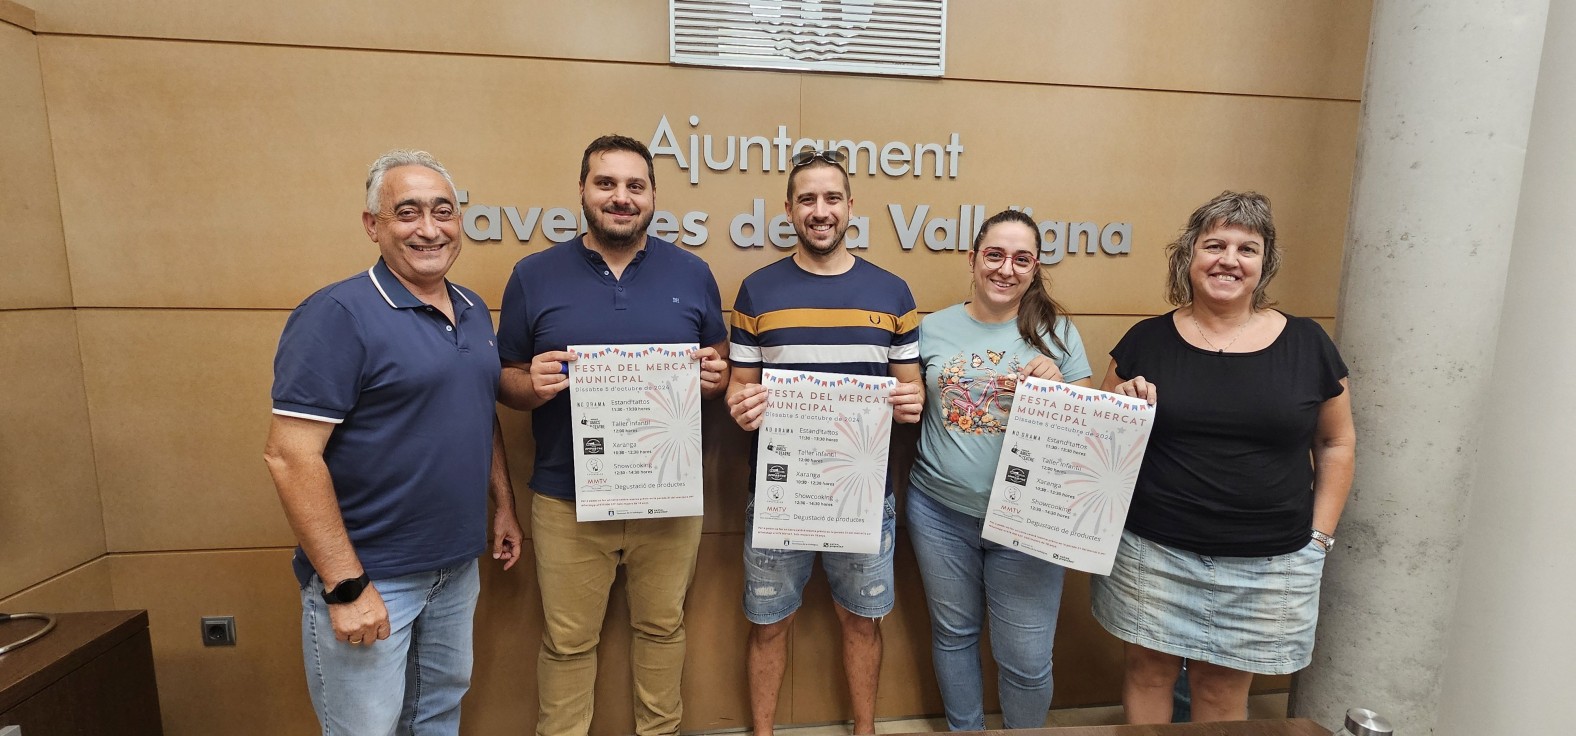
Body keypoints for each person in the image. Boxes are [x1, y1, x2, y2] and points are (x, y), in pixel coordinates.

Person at [264, 149, 523, 735]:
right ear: (372, 225)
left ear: (461, 220)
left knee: (436, 718)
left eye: (442, 211)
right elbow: (288, 455)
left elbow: (477, 414)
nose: (428, 229)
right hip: (373, 577)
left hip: (455, 570)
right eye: (407, 213)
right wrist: (345, 584)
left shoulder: (473, 310)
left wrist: (502, 503)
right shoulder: (337, 314)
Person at [1092, 191, 1356, 723]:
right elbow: (1098, 441)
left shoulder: (1308, 344)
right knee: (1147, 673)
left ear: (1265, 263)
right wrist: (1119, 409)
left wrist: (1320, 537)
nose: (1228, 260)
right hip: (1153, 550)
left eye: (1247, 248)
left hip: (1267, 559)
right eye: (1214, 245)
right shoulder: (1146, 340)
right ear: (1189, 257)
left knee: (1220, 694)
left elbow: (1336, 442)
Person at [496, 135, 729, 736]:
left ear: (653, 196)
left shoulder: (693, 273)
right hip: (567, 499)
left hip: (668, 496)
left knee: (662, 630)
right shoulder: (533, 275)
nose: (620, 198)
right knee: (567, 643)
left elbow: (719, 363)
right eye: (607, 184)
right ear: (582, 191)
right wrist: (533, 384)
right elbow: (505, 379)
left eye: (635, 186)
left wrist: (714, 377)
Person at [726, 149, 924, 736]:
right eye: (807, 199)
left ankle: (865, 730)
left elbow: (909, 391)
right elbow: (740, 389)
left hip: (864, 493)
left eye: (831, 198)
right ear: (788, 209)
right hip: (780, 492)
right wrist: (743, 405)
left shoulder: (893, 293)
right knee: (767, 623)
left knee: (861, 620)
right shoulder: (756, 292)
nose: (820, 211)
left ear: (849, 207)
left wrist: (910, 403)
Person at [907, 209, 1093, 731]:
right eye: (994, 255)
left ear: (1034, 269)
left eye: (1021, 259)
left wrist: (1058, 383)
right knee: (954, 636)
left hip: (1028, 523)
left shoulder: (1057, 332)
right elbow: (906, 403)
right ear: (972, 259)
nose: (1005, 269)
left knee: (1028, 663)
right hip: (940, 511)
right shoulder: (931, 329)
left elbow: (1087, 432)